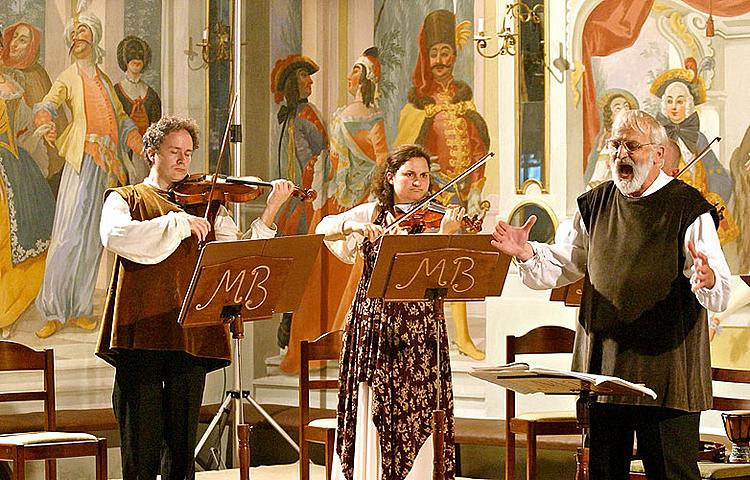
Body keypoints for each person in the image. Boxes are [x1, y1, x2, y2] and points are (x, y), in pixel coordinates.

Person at [490, 110, 731, 480]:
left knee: (673, 474)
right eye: (615, 145)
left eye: (632, 146)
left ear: (660, 154)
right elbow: (565, 264)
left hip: (667, 374)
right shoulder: (594, 204)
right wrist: (527, 253)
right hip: (603, 369)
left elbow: (720, 291)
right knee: (603, 474)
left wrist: (708, 278)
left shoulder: (688, 208)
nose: (622, 154)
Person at [96, 115, 295, 479]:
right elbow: (116, 236)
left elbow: (237, 258)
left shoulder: (207, 205)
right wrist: (178, 222)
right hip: (140, 333)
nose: (183, 160)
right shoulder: (125, 198)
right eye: (174, 151)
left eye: (188, 153)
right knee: (140, 449)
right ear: (151, 152)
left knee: (182, 450)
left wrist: (271, 210)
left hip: (191, 334)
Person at [317, 144, 463, 479]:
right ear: (390, 177)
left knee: (423, 405)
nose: (418, 183)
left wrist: (446, 237)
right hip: (376, 323)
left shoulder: (435, 220)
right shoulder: (371, 213)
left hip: (422, 325)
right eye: (409, 174)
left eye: (424, 176)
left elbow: (444, 274)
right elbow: (324, 227)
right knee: (378, 402)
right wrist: (352, 229)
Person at [33, 13, 145, 339]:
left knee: (93, 239)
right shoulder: (68, 76)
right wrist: (45, 118)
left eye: (82, 31)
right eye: (73, 33)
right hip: (82, 160)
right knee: (68, 234)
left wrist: (136, 141)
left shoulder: (106, 81)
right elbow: (50, 104)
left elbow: (122, 119)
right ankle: (53, 310)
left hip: (108, 166)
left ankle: (80, 308)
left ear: (93, 38)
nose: (76, 37)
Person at [396, 9, 489, 360]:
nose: (439, 60)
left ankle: (462, 338)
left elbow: (479, 145)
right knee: (431, 267)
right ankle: (426, 340)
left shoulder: (465, 101)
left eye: (445, 53)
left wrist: (477, 186)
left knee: (461, 264)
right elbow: (405, 154)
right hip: (431, 198)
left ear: (454, 55)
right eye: (433, 53)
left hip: (462, 195)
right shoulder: (417, 105)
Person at [651, 62, 738, 245]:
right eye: (669, 101)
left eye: (680, 101)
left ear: (689, 104)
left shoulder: (699, 139)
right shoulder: (655, 138)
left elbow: (717, 172)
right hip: (667, 211)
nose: (674, 107)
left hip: (696, 211)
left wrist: (712, 197)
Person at [0, 67, 55, 339]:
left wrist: (36, 136)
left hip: (14, 167)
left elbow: (20, 135)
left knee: (14, 241)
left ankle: (6, 314)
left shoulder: (13, 89)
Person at [1, 21, 67, 191]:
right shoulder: (4, 75)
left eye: (22, 40)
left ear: (32, 47)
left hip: (32, 151)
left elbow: (48, 113)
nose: (14, 44)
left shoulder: (38, 75)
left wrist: (45, 128)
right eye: (14, 37)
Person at [585, 88, 639, 188]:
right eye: (618, 108)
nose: (624, 110)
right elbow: (598, 175)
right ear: (610, 116)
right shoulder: (608, 142)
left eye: (626, 106)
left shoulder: (637, 138)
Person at [114, 35, 161, 136]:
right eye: (132, 54)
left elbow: (156, 131)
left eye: (140, 54)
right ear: (125, 58)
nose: (137, 59)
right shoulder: (116, 92)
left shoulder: (152, 96)